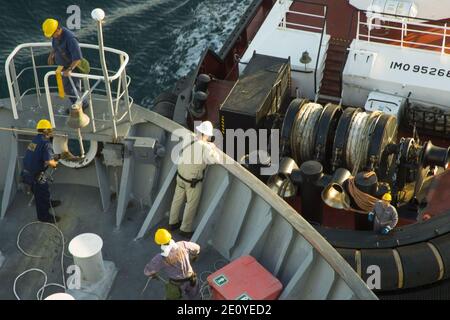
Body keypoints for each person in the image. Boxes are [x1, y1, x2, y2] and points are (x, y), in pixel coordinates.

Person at [168, 121, 218, 238]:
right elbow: (213, 160)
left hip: (180, 177)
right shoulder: (205, 147)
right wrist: (213, 148)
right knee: (191, 204)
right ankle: (185, 229)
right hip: (192, 182)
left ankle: (172, 222)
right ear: (206, 135)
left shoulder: (189, 138)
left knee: (177, 200)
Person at [42, 18, 88, 109]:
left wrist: (69, 70)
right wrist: (51, 55)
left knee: (73, 89)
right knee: (67, 88)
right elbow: (55, 46)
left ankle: (81, 106)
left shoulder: (70, 39)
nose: (52, 37)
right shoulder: (56, 36)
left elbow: (78, 57)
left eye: (52, 35)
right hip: (63, 66)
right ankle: (77, 105)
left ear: (58, 29)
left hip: (72, 67)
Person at [21, 119, 61, 223]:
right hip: (35, 176)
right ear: (46, 131)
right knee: (41, 196)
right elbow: (48, 161)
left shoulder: (35, 140)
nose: (51, 132)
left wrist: (55, 156)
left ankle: (48, 203)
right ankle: (44, 217)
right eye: (50, 131)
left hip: (27, 173)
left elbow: (38, 154)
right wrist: (55, 163)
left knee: (44, 191)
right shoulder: (46, 143)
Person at [144, 229, 200, 300]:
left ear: (159, 243)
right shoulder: (183, 244)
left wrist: (152, 274)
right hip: (192, 280)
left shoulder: (161, 257)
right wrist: (194, 256)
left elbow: (148, 271)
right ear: (170, 237)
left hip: (176, 285)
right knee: (195, 297)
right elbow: (197, 248)